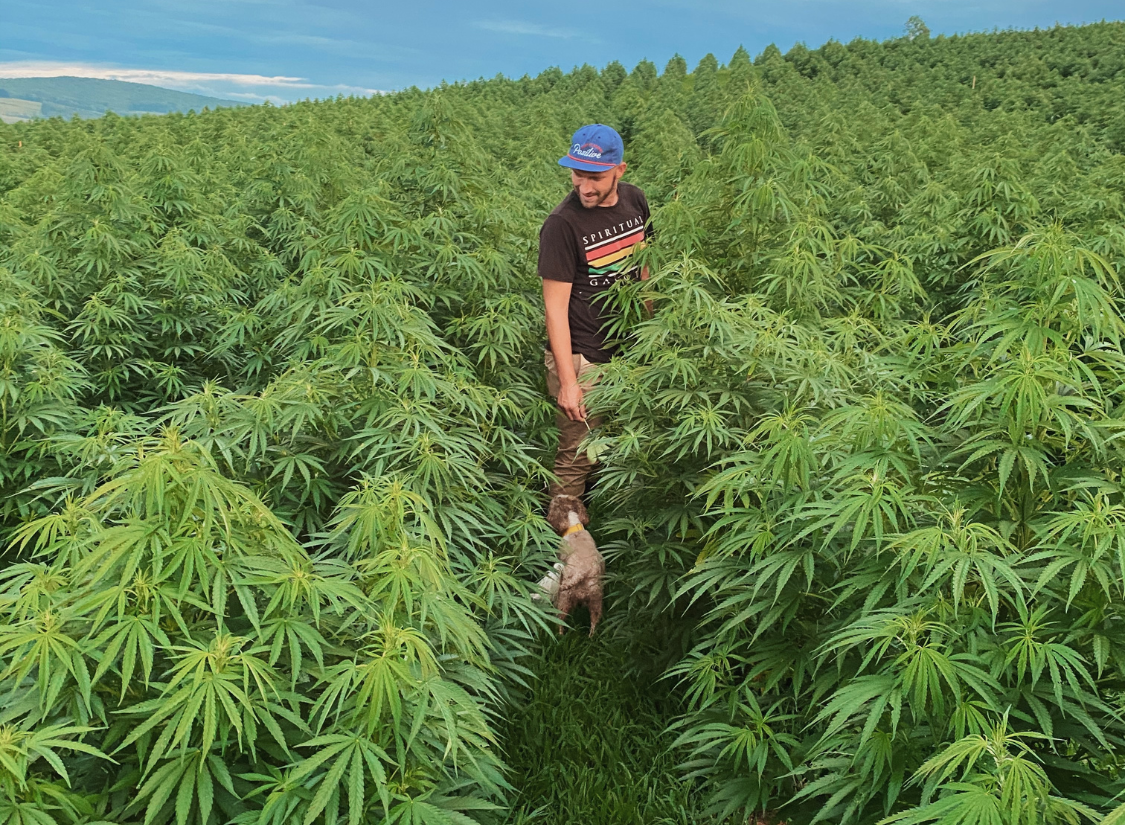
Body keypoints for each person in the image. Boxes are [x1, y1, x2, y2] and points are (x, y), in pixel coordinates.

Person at [539, 124, 652, 500]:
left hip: (631, 350)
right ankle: (567, 537)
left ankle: (604, 514)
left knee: (620, 444)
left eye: (596, 177)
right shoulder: (562, 224)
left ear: (620, 170)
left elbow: (645, 267)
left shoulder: (636, 201)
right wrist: (569, 382)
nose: (584, 187)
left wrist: (652, 334)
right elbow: (554, 311)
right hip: (585, 358)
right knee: (575, 456)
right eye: (577, 175)